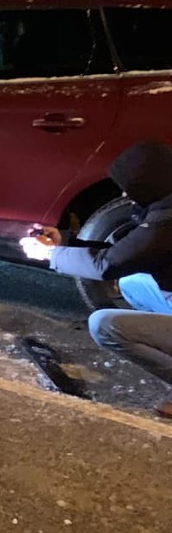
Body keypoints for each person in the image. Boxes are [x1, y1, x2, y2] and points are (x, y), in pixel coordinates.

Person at [20, 141, 172, 418]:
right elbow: (125, 254)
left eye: (130, 185)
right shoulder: (165, 210)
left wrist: (49, 255)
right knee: (131, 283)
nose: (125, 192)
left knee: (104, 325)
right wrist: (63, 243)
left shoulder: (166, 224)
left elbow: (105, 265)